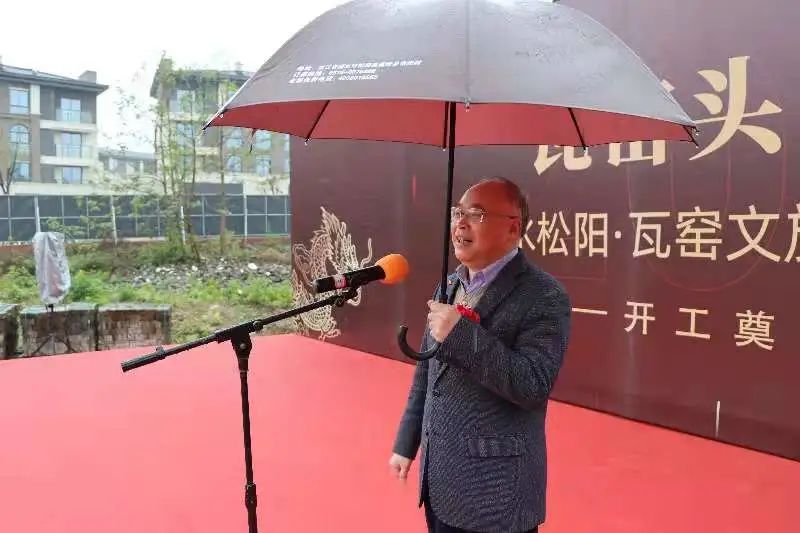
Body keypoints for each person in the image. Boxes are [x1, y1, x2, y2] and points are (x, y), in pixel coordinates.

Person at [389, 177, 571, 533]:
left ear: (513, 227)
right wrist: (406, 443)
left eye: (476, 214)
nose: (461, 223)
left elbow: (533, 384)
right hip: (441, 481)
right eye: (458, 212)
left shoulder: (544, 295)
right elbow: (427, 376)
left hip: (496, 495)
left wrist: (461, 335)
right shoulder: (449, 285)